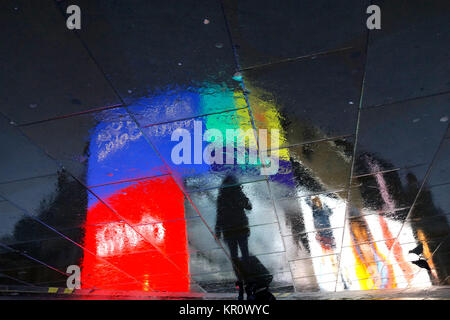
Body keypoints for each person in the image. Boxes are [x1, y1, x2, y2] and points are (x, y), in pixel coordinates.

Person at [215, 174, 252, 261]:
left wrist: (218, 231)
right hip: (241, 227)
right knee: (245, 252)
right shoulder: (239, 194)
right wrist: (244, 199)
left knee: (233, 255)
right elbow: (249, 207)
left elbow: (219, 215)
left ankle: (239, 270)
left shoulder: (221, 197)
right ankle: (248, 270)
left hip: (228, 229)